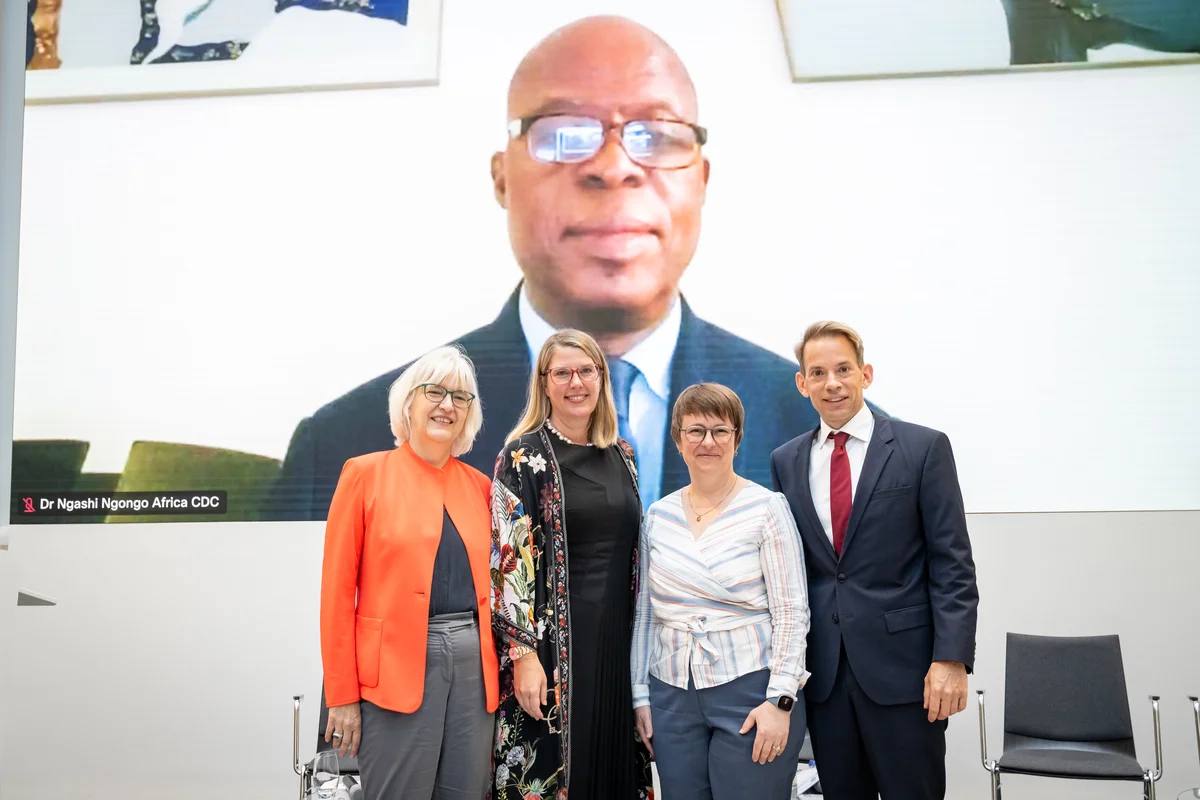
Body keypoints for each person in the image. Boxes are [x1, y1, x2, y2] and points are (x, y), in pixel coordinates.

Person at [270, 15, 875, 522]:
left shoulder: (829, 434)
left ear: (702, 180)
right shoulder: (345, 447)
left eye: (657, 135)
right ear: (501, 176)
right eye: (563, 134)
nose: (613, 167)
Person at [769, 322, 979, 800]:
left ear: (865, 374)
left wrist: (951, 659)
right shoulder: (786, 460)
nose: (833, 383)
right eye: (818, 373)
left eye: (843, 369)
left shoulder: (923, 448)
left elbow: (953, 564)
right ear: (802, 384)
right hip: (824, 675)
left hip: (906, 674)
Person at [320, 345, 497, 800]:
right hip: (394, 671)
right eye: (434, 392)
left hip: (474, 672)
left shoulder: (481, 487)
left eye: (460, 398)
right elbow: (336, 595)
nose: (447, 405)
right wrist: (341, 696)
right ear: (408, 402)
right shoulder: (363, 475)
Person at [490, 329, 651, 800]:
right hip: (552, 651)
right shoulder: (522, 455)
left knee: (614, 770)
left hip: (618, 646)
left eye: (586, 371)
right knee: (559, 773)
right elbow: (508, 563)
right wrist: (523, 657)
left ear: (601, 378)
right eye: (562, 372)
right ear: (544, 383)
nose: (575, 382)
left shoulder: (623, 454)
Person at [632, 383, 811, 799]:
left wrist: (781, 700)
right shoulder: (658, 516)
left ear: (737, 439)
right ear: (678, 441)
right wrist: (641, 694)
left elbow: (792, 612)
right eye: (695, 431)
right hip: (672, 693)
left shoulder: (767, 509)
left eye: (720, 431)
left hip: (752, 691)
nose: (707, 442)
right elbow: (645, 614)